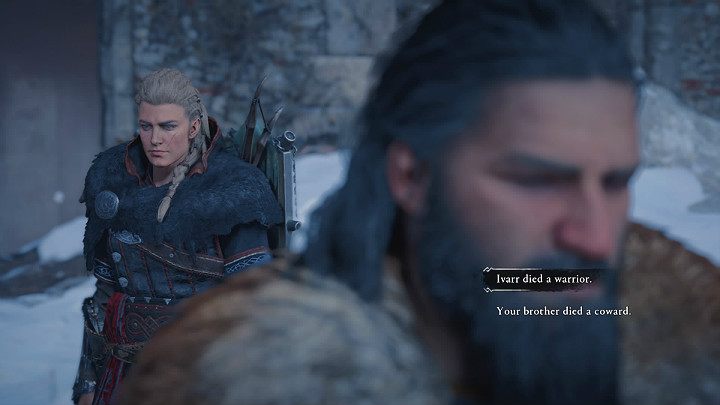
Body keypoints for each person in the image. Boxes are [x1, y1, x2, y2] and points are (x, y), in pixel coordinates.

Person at [119, 1, 642, 404]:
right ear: (412, 177)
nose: (597, 239)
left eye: (616, 183)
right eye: (538, 182)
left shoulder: (652, 345)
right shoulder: (254, 381)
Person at [71, 68, 282, 405]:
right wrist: (87, 382)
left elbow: (252, 302)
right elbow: (104, 297)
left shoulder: (233, 189)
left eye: (168, 126)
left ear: (193, 127)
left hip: (201, 376)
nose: (155, 139)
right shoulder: (114, 178)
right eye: (146, 126)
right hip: (123, 375)